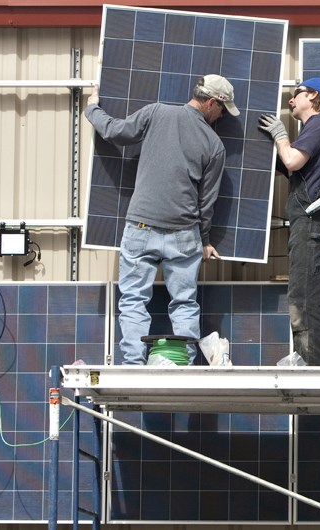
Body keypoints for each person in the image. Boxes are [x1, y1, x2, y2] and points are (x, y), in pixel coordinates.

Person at [85, 74, 239, 365]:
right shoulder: (214, 144)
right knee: (184, 303)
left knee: (133, 300)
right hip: (184, 234)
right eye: (222, 109)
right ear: (211, 103)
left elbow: (116, 132)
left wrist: (92, 107)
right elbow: (207, 202)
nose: (221, 116)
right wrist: (204, 240)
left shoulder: (156, 112)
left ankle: (133, 365)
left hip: (141, 227)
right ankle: (183, 365)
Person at [258, 78, 320, 366]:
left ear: (313, 96)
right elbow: (292, 168)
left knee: (306, 304)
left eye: (296, 94)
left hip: (317, 227)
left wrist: (279, 135)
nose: (290, 101)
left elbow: (292, 162)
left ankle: (312, 377)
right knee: (319, 308)